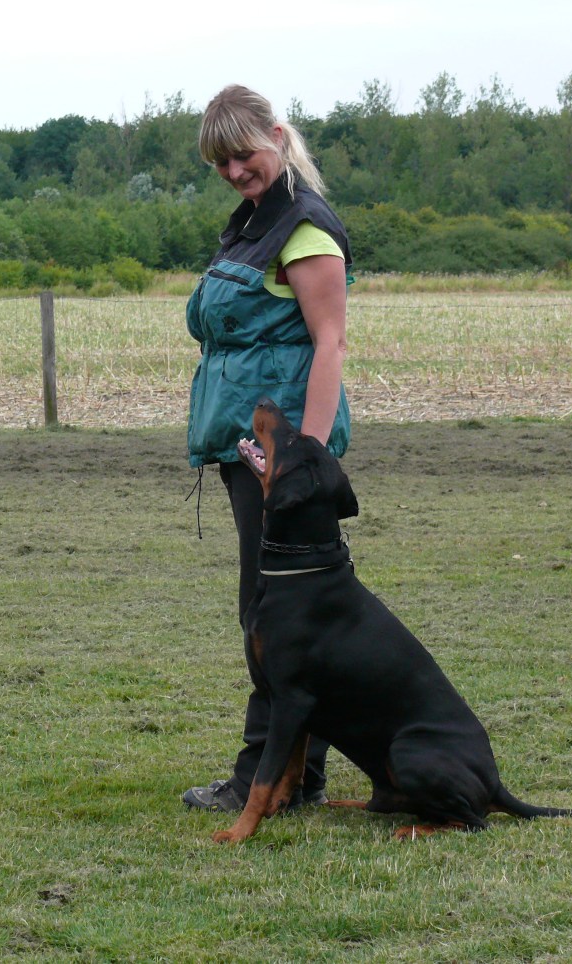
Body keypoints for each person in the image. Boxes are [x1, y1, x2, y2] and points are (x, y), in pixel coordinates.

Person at [182, 85, 353, 813]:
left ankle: (268, 776)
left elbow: (330, 344)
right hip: (249, 448)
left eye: (242, 154)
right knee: (277, 608)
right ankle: (298, 773)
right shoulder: (254, 222)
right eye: (220, 163)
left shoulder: (304, 229)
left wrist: (305, 460)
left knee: (273, 612)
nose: (233, 171)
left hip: (280, 455)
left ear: (277, 136)